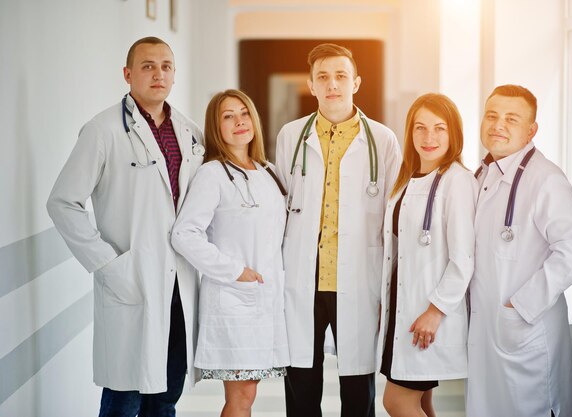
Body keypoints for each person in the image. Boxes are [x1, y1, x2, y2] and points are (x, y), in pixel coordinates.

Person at [46, 36, 205, 416]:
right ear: (128, 74)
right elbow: (62, 202)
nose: (158, 74)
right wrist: (107, 265)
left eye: (166, 66)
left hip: (179, 287)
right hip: (132, 280)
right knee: (123, 400)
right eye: (148, 66)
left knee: (165, 398)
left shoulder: (190, 132)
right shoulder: (102, 130)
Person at [275, 43, 402, 417]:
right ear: (311, 85)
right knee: (301, 381)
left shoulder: (382, 140)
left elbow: (393, 218)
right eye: (323, 77)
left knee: (357, 386)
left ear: (356, 82)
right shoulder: (290, 136)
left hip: (358, 276)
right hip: (303, 276)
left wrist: (390, 287)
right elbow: (281, 204)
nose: (333, 84)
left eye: (341, 76)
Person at [466, 84, 572, 417]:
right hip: (489, 333)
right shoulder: (482, 174)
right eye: (491, 116)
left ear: (531, 130)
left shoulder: (545, 179)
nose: (498, 125)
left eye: (511, 118)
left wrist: (520, 306)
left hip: (524, 329)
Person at [171, 89, 289, 417]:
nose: (239, 121)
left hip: (266, 298)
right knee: (242, 395)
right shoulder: (212, 174)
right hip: (235, 297)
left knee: (248, 394)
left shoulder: (269, 171)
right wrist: (235, 271)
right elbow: (184, 234)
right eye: (228, 116)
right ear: (216, 127)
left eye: (244, 113)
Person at [377, 93, 477, 417]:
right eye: (420, 128)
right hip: (403, 308)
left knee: (397, 402)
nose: (428, 137)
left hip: (427, 311)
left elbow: (463, 258)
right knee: (421, 402)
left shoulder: (457, 181)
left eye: (439, 128)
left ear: (454, 134)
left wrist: (435, 311)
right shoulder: (406, 178)